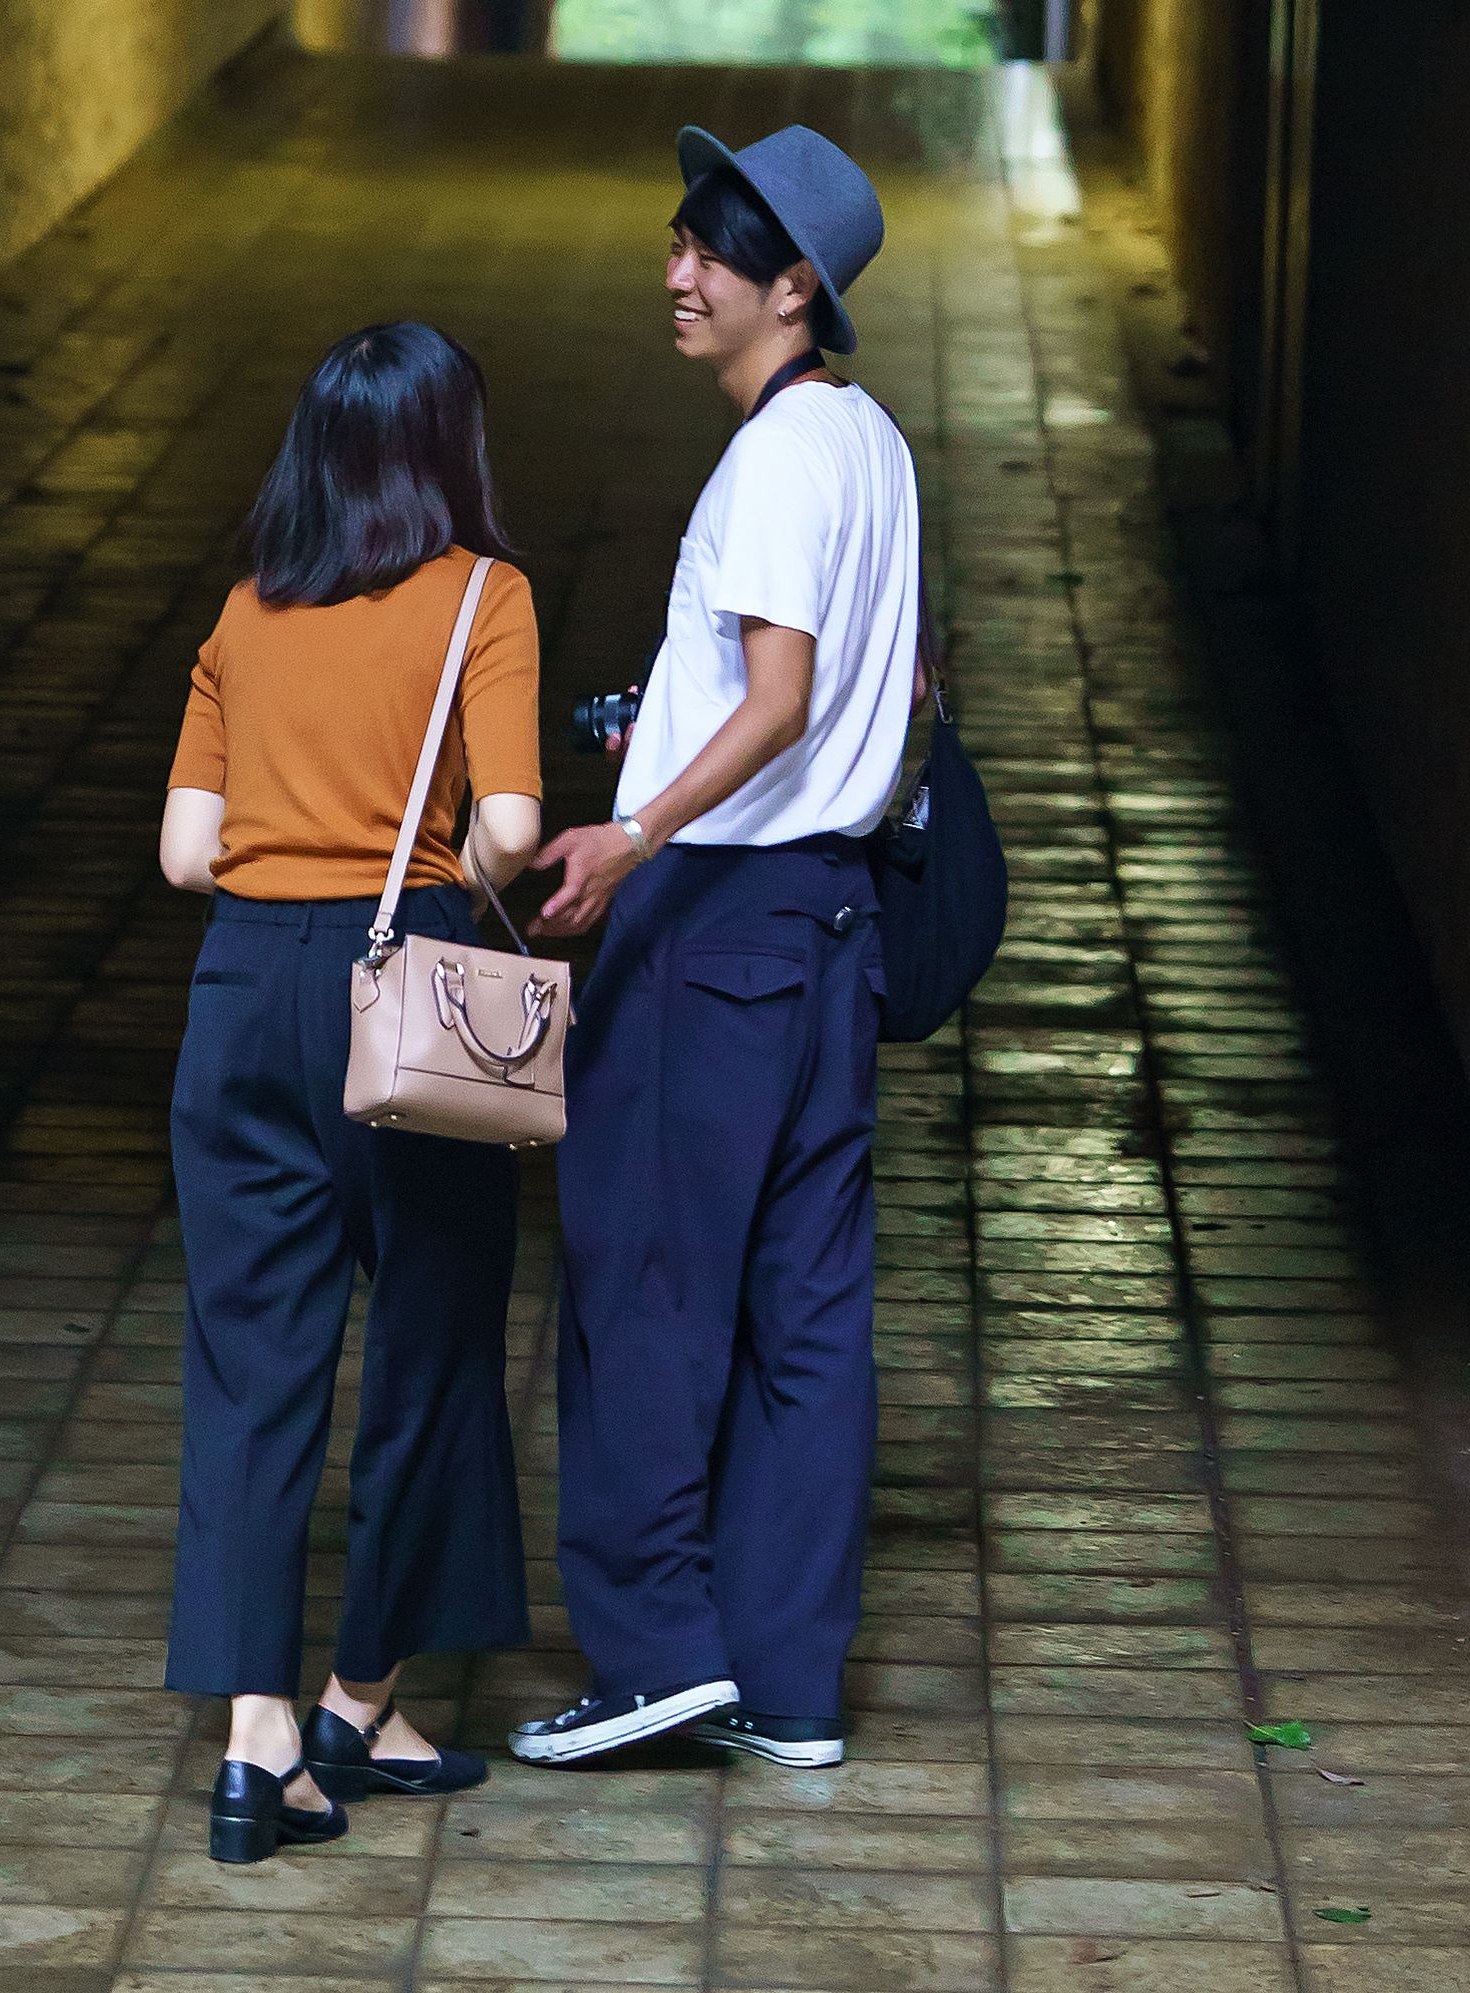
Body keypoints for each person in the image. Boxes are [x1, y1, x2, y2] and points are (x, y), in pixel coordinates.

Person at [511, 123, 921, 1775]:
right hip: (831, 926)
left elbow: (781, 696)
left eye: (706, 251)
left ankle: (651, 1652)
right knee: (805, 1313)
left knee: (642, 1282)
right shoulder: (872, 443)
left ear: (792, 284)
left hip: (720, 926)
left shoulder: (774, 460)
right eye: (677, 240)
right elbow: (879, 690)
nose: (674, 273)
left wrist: (635, 828)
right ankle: (786, 1680)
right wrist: (680, 740)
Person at [160, 321, 544, 1864]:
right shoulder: (483, 597)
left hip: (242, 990)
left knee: (250, 1363)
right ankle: (359, 1690)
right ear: (448, 448)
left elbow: (185, 852)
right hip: (404, 989)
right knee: (434, 1342)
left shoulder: (245, 608)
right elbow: (508, 828)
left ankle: (256, 1740)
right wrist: (432, 832)